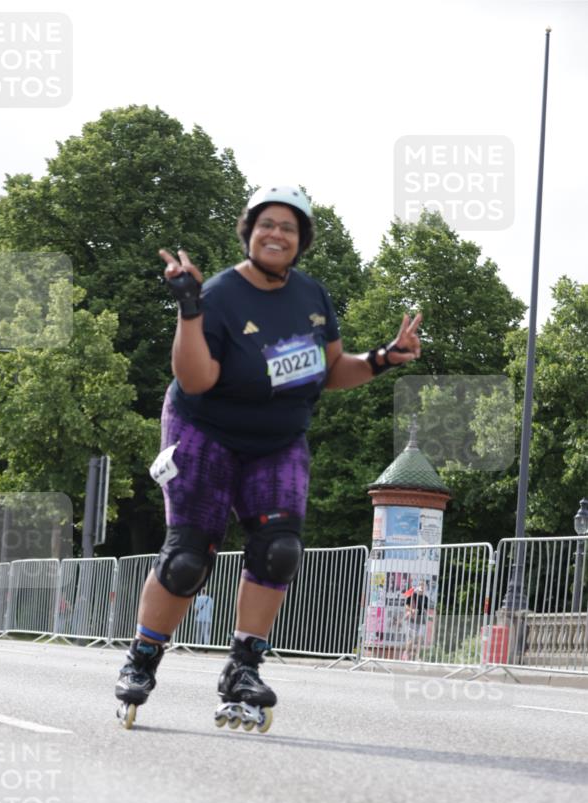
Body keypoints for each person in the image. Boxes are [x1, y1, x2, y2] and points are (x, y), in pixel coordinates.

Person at [115, 185, 422, 730]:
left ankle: (243, 668)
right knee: (188, 559)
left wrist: (383, 358)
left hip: (277, 440)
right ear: (249, 232)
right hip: (204, 430)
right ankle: (142, 657)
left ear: (301, 240)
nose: (276, 234)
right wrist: (189, 308)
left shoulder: (312, 296)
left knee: (279, 550)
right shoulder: (219, 295)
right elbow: (196, 378)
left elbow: (330, 371)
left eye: (288, 227)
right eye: (266, 224)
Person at [404, 583, 430, 661]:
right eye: (421, 585)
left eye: (424, 586)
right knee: (411, 639)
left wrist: (426, 613)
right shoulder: (413, 595)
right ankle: (406, 654)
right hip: (413, 620)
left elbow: (425, 609)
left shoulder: (426, 598)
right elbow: (406, 606)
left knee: (420, 639)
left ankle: (417, 656)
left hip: (422, 621)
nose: (422, 587)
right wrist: (411, 610)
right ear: (418, 586)